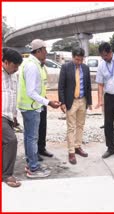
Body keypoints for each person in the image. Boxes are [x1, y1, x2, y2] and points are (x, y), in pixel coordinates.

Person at [17, 39, 61, 178]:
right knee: (32, 138)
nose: (46, 53)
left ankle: (31, 163)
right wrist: (48, 102)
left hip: (30, 106)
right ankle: (33, 168)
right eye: (45, 50)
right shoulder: (32, 66)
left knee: (29, 137)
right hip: (31, 107)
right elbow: (31, 92)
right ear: (39, 50)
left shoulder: (33, 64)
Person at [58, 48, 92, 164]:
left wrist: (89, 102)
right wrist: (62, 102)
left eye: (81, 60)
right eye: (77, 59)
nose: (79, 62)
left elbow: (88, 86)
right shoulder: (65, 67)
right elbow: (61, 86)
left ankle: (78, 146)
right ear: (73, 57)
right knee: (71, 127)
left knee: (80, 125)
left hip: (83, 100)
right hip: (71, 101)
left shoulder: (86, 68)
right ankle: (71, 151)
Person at [2, 48, 23, 187]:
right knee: (11, 141)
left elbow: (13, 95)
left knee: (4, 144)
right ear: (6, 62)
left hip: (9, 116)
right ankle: (7, 175)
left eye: (17, 67)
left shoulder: (14, 76)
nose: (16, 69)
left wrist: (15, 116)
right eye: (14, 66)